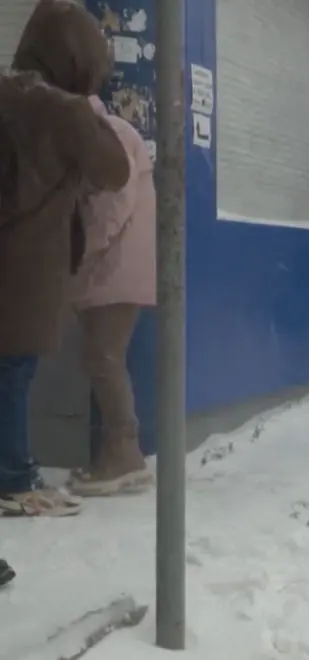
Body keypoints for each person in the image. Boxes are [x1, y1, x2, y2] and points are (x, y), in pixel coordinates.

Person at [0, 0, 131, 517]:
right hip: (28, 266)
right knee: (14, 370)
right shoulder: (67, 112)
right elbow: (115, 171)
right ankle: (13, 477)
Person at [66, 96, 156, 497]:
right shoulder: (107, 134)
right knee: (102, 357)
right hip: (116, 267)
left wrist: (79, 256)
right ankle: (118, 452)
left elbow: (110, 209)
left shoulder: (112, 136)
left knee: (103, 357)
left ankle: (125, 454)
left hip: (115, 267)